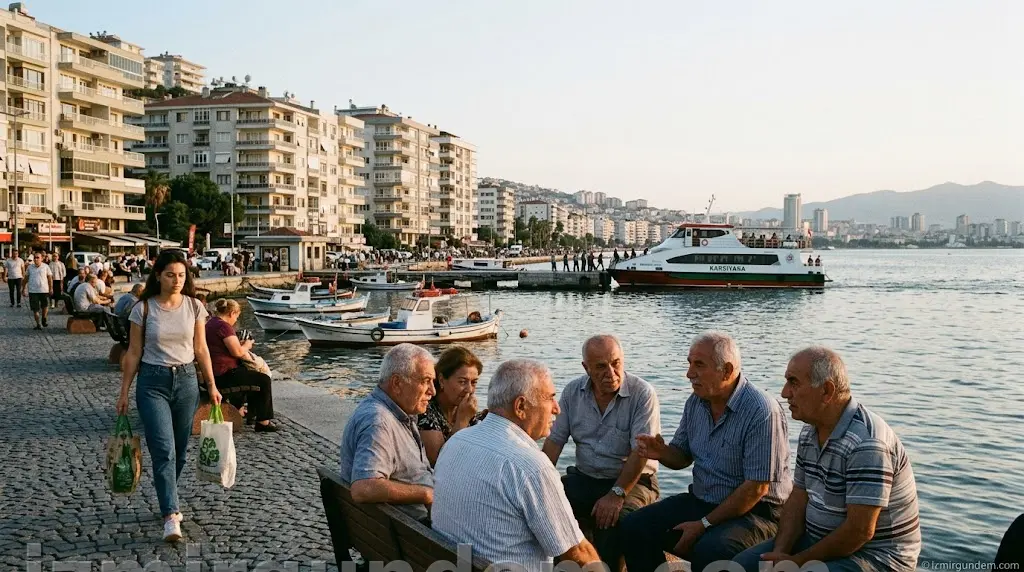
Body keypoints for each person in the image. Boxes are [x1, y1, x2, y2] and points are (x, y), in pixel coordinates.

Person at [733, 347, 921, 572]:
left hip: (875, 556)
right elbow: (798, 497)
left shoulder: (867, 443)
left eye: (794, 383)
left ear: (826, 391)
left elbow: (859, 531)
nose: (784, 393)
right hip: (817, 540)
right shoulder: (811, 431)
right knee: (741, 566)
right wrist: (779, 552)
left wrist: (796, 563)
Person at [621, 331, 792, 572]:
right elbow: (682, 456)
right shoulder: (696, 402)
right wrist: (661, 452)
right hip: (704, 500)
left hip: (758, 512)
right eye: (690, 363)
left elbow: (756, 488)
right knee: (634, 526)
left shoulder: (761, 411)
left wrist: (703, 524)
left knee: (711, 550)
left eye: (699, 365)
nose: (689, 373)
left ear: (727, 370)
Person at [432, 359, 601, 572]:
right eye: (550, 398)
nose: (557, 409)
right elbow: (577, 554)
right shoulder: (531, 466)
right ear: (520, 407)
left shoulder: (456, 441)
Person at [115, 249, 222, 542]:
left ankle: (166, 494)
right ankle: (170, 515)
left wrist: (212, 385)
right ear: (158, 276)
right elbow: (133, 352)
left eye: (181, 275)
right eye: (170, 275)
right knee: (164, 449)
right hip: (152, 383)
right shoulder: (143, 309)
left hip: (186, 382)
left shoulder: (194, 307)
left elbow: (201, 349)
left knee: (180, 450)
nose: (177, 280)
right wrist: (124, 392)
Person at [542, 335, 661, 570]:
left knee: (612, 522)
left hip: (634, 481)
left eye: (616, 363)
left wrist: (617, 493)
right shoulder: (573, 392)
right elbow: (554, 442)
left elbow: (641, 452)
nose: (611, 373)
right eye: (600, 367)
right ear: (586, 368)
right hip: (585, 477)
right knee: (547, 509)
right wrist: (540, 483)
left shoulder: (642, 394)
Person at [339, 343, 436, 523]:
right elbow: (364, 488)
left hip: (397, 528)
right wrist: (426, 494)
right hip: (416, 529)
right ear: (397, 383)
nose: (433, 391)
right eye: (425, 381)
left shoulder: (397, 413)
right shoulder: (378, 422)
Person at [205, 299, 278, 433]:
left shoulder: (211, 323)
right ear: (232, 313)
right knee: (263, 380)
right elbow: (237, 352)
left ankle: (252, 414)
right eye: (237, 317)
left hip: (215, 371)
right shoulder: (224, 327)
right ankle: (263, 422)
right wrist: (247, 345)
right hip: (224, 374)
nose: (236, 320)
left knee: (250, 375)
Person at [417, 346, 484, 466]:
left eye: (473, 382)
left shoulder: (466, 408)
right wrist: (462, 420)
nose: (469, 390)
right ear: (442, 380)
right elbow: (441, 462)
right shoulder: (426, 410)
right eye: (462, 382)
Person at [23, 252, 53, 330]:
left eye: (38, 257)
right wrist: (23, 288)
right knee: (35, 309)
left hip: (44, 290)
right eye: (35, 258)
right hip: (33, 291)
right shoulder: (30, 267)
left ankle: (44, 318)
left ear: (41, 258)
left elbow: (50, 278)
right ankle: (38, 324)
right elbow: (25, 279)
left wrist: (51, 288)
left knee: (45, 306)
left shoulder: (46, 267)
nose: (36, 259)